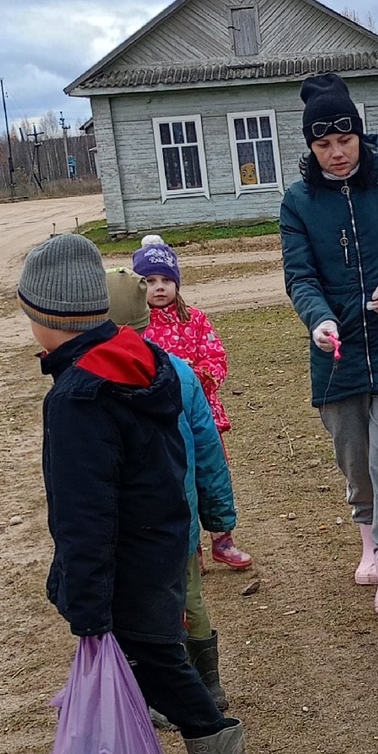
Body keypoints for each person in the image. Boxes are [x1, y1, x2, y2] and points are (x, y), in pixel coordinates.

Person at [18, 232, 254, 754]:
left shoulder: (78, 396)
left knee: (153, 657)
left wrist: (86, 593)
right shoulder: (143, 361)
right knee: (126, 652)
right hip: (164, 539)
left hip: (126, 555)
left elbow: (84, 510)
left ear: (47, 317)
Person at [279, 72, 378, 615]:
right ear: (310, 146)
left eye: (344, 141)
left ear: (359, 135)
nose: (337, 154)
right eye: (323, 145)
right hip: (336, 353)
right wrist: (319, 321)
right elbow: (300, 277)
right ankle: (369, 541)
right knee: (356, 459)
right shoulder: (298, 202)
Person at [105, 266, 234, 711]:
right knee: (189, 596)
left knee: (140, 603)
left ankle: (158, 690)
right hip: (178, 516)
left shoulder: (91, 377)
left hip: (125, 522)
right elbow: (210, 452)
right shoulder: (180, 372)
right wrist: (218, 519)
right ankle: (206, 683)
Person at [132, 239, 252, 572]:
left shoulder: (195, 320)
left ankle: (222, 539)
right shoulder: (137, 329)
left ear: (177, 283)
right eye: (150, 281)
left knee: (212, 477)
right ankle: (189, 549)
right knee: (176, 484)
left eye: (165, 281)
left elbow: (217, 357)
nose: (159, 288)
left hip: (203, 416)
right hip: (162, 421)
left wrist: (198, 378)